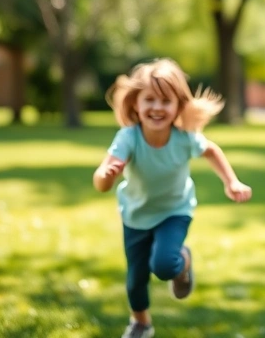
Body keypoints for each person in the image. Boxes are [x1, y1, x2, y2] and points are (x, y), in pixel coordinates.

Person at [94, 58, 253, 338]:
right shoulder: (128, 137)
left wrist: (232, 181)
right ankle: (141, 323)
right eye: (150, 99)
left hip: (174, 212)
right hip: (136, 215)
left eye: (166, 101)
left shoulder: (184, 138)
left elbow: (212, 151)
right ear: (135, 104)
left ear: (179, 106)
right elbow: (101, 184)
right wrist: (107, 173)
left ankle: (184, 261)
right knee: (135, 280)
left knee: (165, 265)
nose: (157, 107)